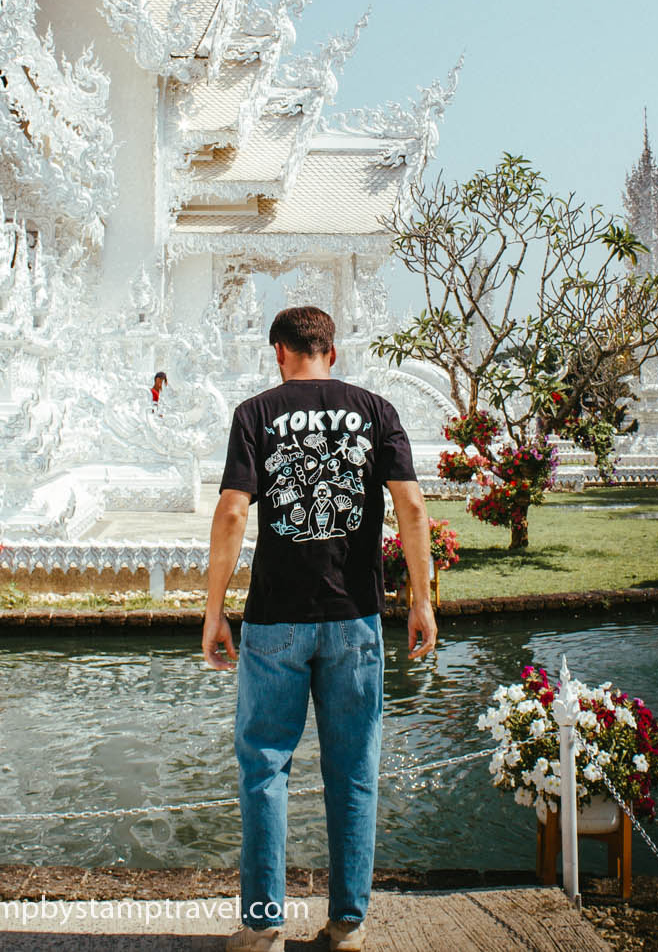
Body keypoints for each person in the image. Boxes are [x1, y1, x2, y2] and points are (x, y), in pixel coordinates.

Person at [203, 306, 437, 952]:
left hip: (274, 619)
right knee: (354, 771)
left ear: (279, 352)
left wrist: (214, 610)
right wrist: (421, 599)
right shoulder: (376, 410)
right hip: (354, 617)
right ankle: (348, 925)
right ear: (331, 352)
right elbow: (412, 505)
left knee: (265, 771)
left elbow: (230, 515)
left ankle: (262, 926)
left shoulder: (255, 414)